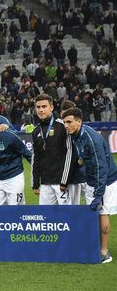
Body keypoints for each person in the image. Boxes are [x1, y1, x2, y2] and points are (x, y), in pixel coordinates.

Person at [62, 108, 117, 264]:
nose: (66, 125)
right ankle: (95, 247)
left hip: (105, 180)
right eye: (65, 122)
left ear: (79, 121)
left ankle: (104, 252)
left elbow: (101, 167)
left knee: (102, 212)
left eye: (69, 122)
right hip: (92, 179)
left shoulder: (91, 139)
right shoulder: (76, 135)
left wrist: (99, 194)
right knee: (94, 215)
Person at [31, 94, 75, 205]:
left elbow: (70, 153)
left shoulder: (62, 126)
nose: (41, 110)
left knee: (68, 217)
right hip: (45, 183)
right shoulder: (36, 131)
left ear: (51, 107)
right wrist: (35, 182)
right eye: (38, 107)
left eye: (44, 107)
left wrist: (64, 181)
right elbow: (36, 157)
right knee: (46, 217)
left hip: (61, 181)